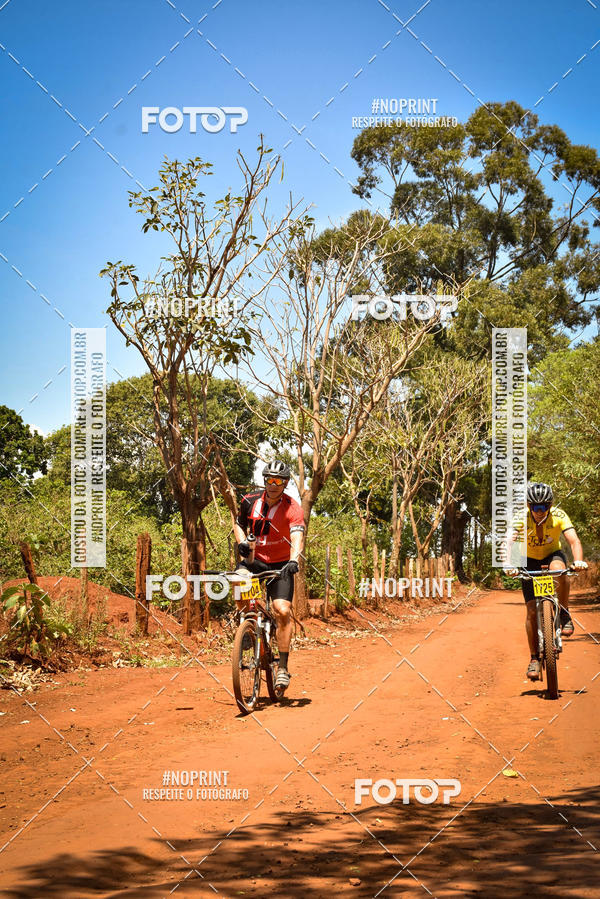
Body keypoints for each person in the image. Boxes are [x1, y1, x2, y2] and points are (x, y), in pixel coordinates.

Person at [505, 482, 588, 681]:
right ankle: (534, 658)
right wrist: (508, 564)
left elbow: (574, 541)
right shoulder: (520, 518)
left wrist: (578, 560)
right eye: (535, 507)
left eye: (544, 507)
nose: (539, 511)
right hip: (528, 559)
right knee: (532, 611)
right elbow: (507, 541)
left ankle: (565, 612)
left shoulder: (559, 516)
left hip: (553, 555)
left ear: (550, 506)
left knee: (560, 570)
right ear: (528, 506)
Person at [233, 460, 305, 689]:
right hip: (255, 561)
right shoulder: (248, 501)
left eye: (278, 481)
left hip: (281, 564)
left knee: (282, 610)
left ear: (285, 483)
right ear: (264, 481)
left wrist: (294, 560)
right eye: (269, 480)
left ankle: (282, 668)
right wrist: (242, 542)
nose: (273, 485)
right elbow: (238, 524)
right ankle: (248, 626)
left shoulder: (292, 507)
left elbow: (296, 537)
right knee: (237, 581)